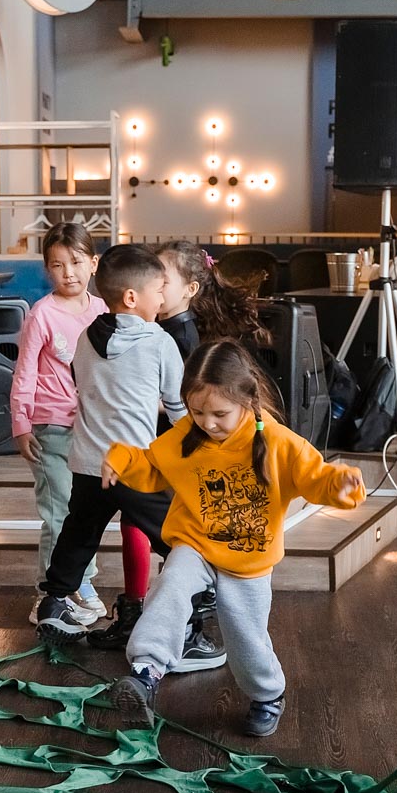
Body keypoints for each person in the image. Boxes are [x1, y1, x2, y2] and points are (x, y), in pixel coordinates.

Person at [105, 340, 366, 738]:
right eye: (197, 412)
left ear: (248, 400)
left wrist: (341, 483)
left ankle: (267, 695)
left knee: (245, 635)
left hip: (248, 558)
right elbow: (152, 466)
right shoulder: (187, 436)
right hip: (195, 542)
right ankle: (146, 673)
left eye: (219, 414)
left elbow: (316, 478)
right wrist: (120, 459)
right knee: (171, 584)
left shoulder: (278, 442)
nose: (207, 423)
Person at [34, 245, 221, 675]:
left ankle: (54, 603)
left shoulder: (84, 338)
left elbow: (84, 385)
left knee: (79, 533)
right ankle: (187, 626)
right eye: (158, 289)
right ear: (133, 298)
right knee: (178, 539)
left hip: (87, 463)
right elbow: (178, 409)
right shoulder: (159, 341)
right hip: (136, 467)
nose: (162, 297)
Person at [86, 239, 266, 654]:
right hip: (149, 445)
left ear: (189, 290)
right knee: (136, 525)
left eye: (163, 280)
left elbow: (183, 402)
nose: (156, 285)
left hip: (173, 451)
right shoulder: (151, 328)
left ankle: (184, 624)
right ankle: (137, 612)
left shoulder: (180, 336)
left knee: (173, 535)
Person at [10, 223, 110, 628]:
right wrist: (21, 424)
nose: (68, 272)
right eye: (57, 265)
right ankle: (49, 594)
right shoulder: (42, 315)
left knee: (87, 511)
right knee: (59, 511)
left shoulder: (103, 310)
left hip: (94, 428)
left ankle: (80, 582)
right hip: (51, 426)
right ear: (47, 270)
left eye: (76, 262)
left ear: (93, 263)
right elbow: (24, 373)